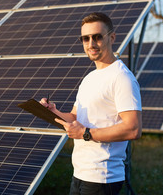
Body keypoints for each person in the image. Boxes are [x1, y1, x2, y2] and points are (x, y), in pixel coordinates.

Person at [40, 12, 142, 195]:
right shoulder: (89, 78)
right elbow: (74, 118)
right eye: (85, 39)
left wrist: (86, 133)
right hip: (80, 173)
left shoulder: (122, 78)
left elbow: (133, 129)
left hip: (103, 178)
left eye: (97, 37)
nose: (91, 44)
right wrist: (53, 111)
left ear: (111, 38)